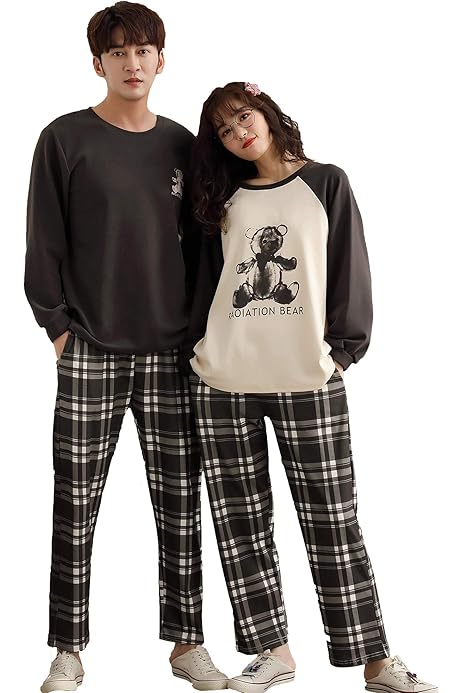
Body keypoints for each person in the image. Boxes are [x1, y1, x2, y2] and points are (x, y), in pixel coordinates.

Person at [180, 81, 438, 693]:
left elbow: (350, 266)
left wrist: (342, 352)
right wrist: (198, 352)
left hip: (307, 378)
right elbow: (204, 282)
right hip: (225, 381)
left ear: (267, 112)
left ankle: (376, 661)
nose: (239, 133)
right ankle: (272, 652)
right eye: (224, 130)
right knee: (240, 523)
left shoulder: (325, 182)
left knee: (333, 519)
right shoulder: (222, 198)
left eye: (244, 117)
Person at [25, 3, 227, 692]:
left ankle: (187, 643)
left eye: (144, 51)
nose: (132, 63)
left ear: (161, 60)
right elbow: (43, 239)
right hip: (90, 346)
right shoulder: (63, 138)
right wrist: (58, 327)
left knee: (180, 501)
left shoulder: (183, 145)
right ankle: (68, 647)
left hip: (173, 353)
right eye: (118, 52)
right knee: (75, 502)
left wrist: (198, 336)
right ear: (98, 63)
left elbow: (205, 249)